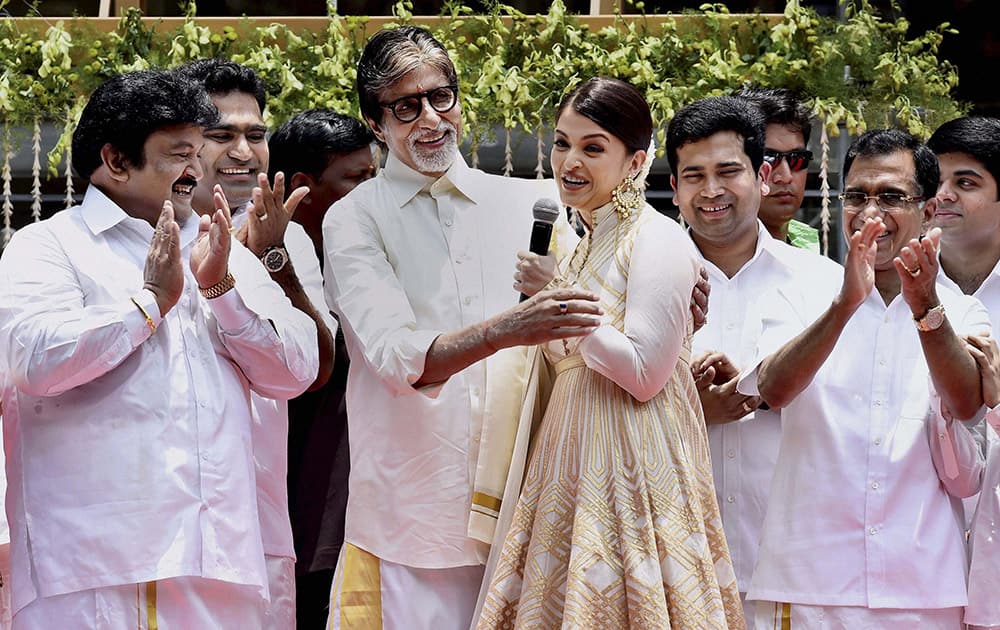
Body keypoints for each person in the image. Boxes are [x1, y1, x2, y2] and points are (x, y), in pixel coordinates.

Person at [0, 69, 318, 627]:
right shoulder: (49, 246)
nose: (196, 169)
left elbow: (295, 372)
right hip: (97, 566)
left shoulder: (223, 247)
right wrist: (148, 303)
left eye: (199, 151)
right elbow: (33, 360)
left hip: (221, 563)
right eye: (179, 153)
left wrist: (223, 293)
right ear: (117, 160)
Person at [322, 26, 601, 630]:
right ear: (376, 123)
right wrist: (509, 328)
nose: (429, 118)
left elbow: (596, 319)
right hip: (413, 519)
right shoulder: (354, 219)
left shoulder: (534, 201)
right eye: (405, 105)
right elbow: (399, 357)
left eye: (440, 97)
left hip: (532, 505)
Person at [477, 78, 744, 629]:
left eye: (592, 148)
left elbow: (644, 374)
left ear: (635, 162)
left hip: (636, 466)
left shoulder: (657, 237)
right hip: (568, 466)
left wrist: (554, 303)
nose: (569, 161)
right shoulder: (579, 247)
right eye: (561, 143)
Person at [738, 128, 987, 628]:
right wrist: (845, 305)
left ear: (929, 210)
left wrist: (926, 309)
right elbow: (773, 389)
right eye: (857, 196)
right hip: (807, 581)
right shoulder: (800, 290)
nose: (870, 212)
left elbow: (968, 405)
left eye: (891, 197)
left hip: (922, 586)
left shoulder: (963, 309)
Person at [179, 58, 338, 629]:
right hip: (164, 527)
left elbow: (318, 367)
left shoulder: (285, 234)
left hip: (257, 515)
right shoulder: (147, 233)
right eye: (222, 135)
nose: (244, 151)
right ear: (182, 143)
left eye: (255, 134)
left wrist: (271, 259)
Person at [676, 95, 842, 620]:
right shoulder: (636, 283)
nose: (712, 191)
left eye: (729, 171)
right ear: (674, 187)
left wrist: (759, 393)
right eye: (693, 175)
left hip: (792, 572)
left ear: (763, 175)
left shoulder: (825, 286)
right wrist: (688, 409)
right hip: (673, 565)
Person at [268, 109, 375, 629]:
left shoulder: (374, 255)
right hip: (301, 512)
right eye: (356, 179)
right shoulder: (252, 257)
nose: (374, 192)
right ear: (304, 188)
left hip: (370, 511)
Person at [927, 115, 1000, 630]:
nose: (943, 196)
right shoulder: (893, 295)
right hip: (919, 574)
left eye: (966, 182)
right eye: (934, 183)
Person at [737, 86, 820, 251]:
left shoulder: (809, 249)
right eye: (768, 159)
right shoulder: (696, 264)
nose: (785, 176)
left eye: (797, 159)